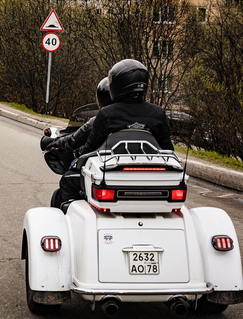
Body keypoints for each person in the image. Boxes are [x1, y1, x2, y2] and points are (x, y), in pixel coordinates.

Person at [52, 58, 174, 210]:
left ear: (117, 85)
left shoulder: (107, 113)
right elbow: (168, 150)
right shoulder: (158, 113)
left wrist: (76, 163)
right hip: (150, 179)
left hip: (112, 176)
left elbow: (90, 148)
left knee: (68, 180)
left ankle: (67, 216)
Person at [48, 77, 113, 209]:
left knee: (67, 179)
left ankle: (67, 217)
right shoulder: (148, 117)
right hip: (142, 175)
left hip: (105, 172)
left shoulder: (101, 118)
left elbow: (73, 140)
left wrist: (56, 143)